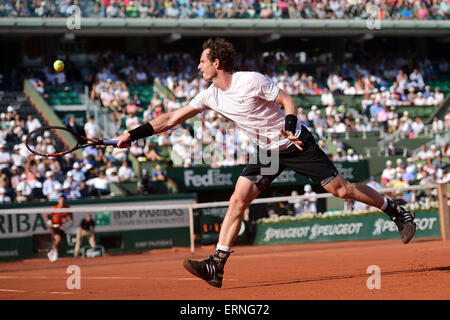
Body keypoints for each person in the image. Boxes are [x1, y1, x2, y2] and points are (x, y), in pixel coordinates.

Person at [116, 38, 416, 288]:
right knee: (237, 201)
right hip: (267, 153)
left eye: (203, 61)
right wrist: (133, 134)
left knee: (342, 190)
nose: (198, 66)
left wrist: (288, 121)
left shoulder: (251, 80)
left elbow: (288, 101)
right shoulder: (209, 96)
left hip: (296, 144)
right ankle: (216, 265)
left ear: (217, 63)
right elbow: (170, 118)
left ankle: (396, 211)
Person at [45, 195, 73, 262]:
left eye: (63, 200)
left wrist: (66, 221)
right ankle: (55, 253)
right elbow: (46, 215)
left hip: (62, 227)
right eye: (60, 200)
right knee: (58, 239)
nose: (62, 201)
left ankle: (50, 252)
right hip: (54, 226)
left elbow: (71, 218)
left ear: (65, 201)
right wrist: (49, 222)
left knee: (58, 241)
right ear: (58, 201)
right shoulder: (55, 208)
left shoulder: (68, 208)